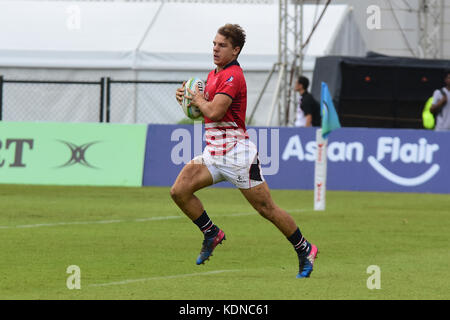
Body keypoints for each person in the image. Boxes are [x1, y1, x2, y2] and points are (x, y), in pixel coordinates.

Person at [172, 24, 318, 278]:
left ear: (236, 50)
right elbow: (203, 112)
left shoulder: (233, 77)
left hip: (237, 156)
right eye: (214, 44)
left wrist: (196, 100)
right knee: (179, 191)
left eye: (222, 45)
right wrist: (185, 100)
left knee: (266, 209)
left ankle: (305, 248)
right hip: (214, 154)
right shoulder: (214, 74)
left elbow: (214, 111)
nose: (216, 49)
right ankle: (211, 233)